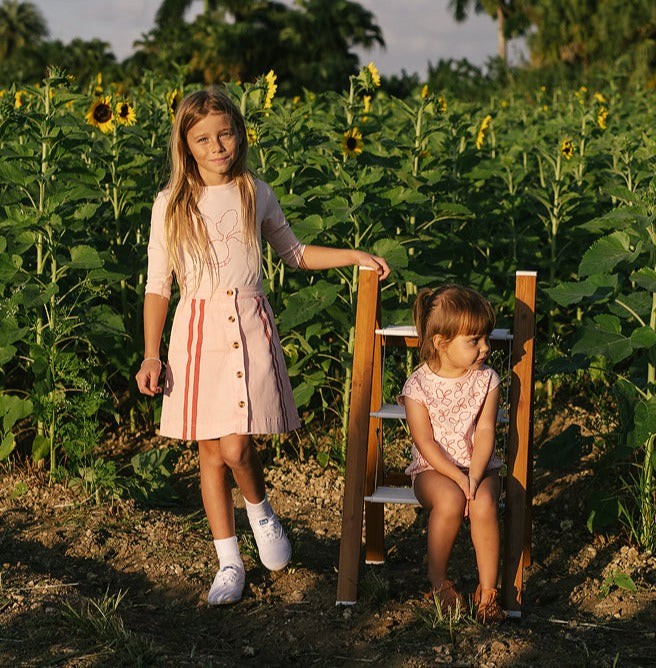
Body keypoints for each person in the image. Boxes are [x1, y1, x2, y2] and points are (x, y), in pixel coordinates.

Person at [135, 87, 389, 605]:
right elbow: (158, 285)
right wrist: (152, 353)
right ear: (186, 145)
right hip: (197, 333)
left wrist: (352, 255)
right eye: (202, 138)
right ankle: (229, 560)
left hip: (247, 326)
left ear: (239, 133)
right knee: (210, 451)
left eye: (224, 133)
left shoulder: (255, 192)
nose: (216, 146)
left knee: (236, 446)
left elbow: (294, 252)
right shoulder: (170, 204)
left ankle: (261, 509)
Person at [399, 285, 505, 624]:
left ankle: (488, 592)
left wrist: (473, 475)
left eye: (485, 338)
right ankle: (438, 582)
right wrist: (458, 478)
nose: (485, 347)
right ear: (441, 343)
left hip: (480, 464)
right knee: (450, 501)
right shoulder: (417, 386)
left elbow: (486, 430)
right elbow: (425, 442)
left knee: (484, 503)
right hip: (432, 469)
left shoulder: (488, 380)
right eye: (474, 341)